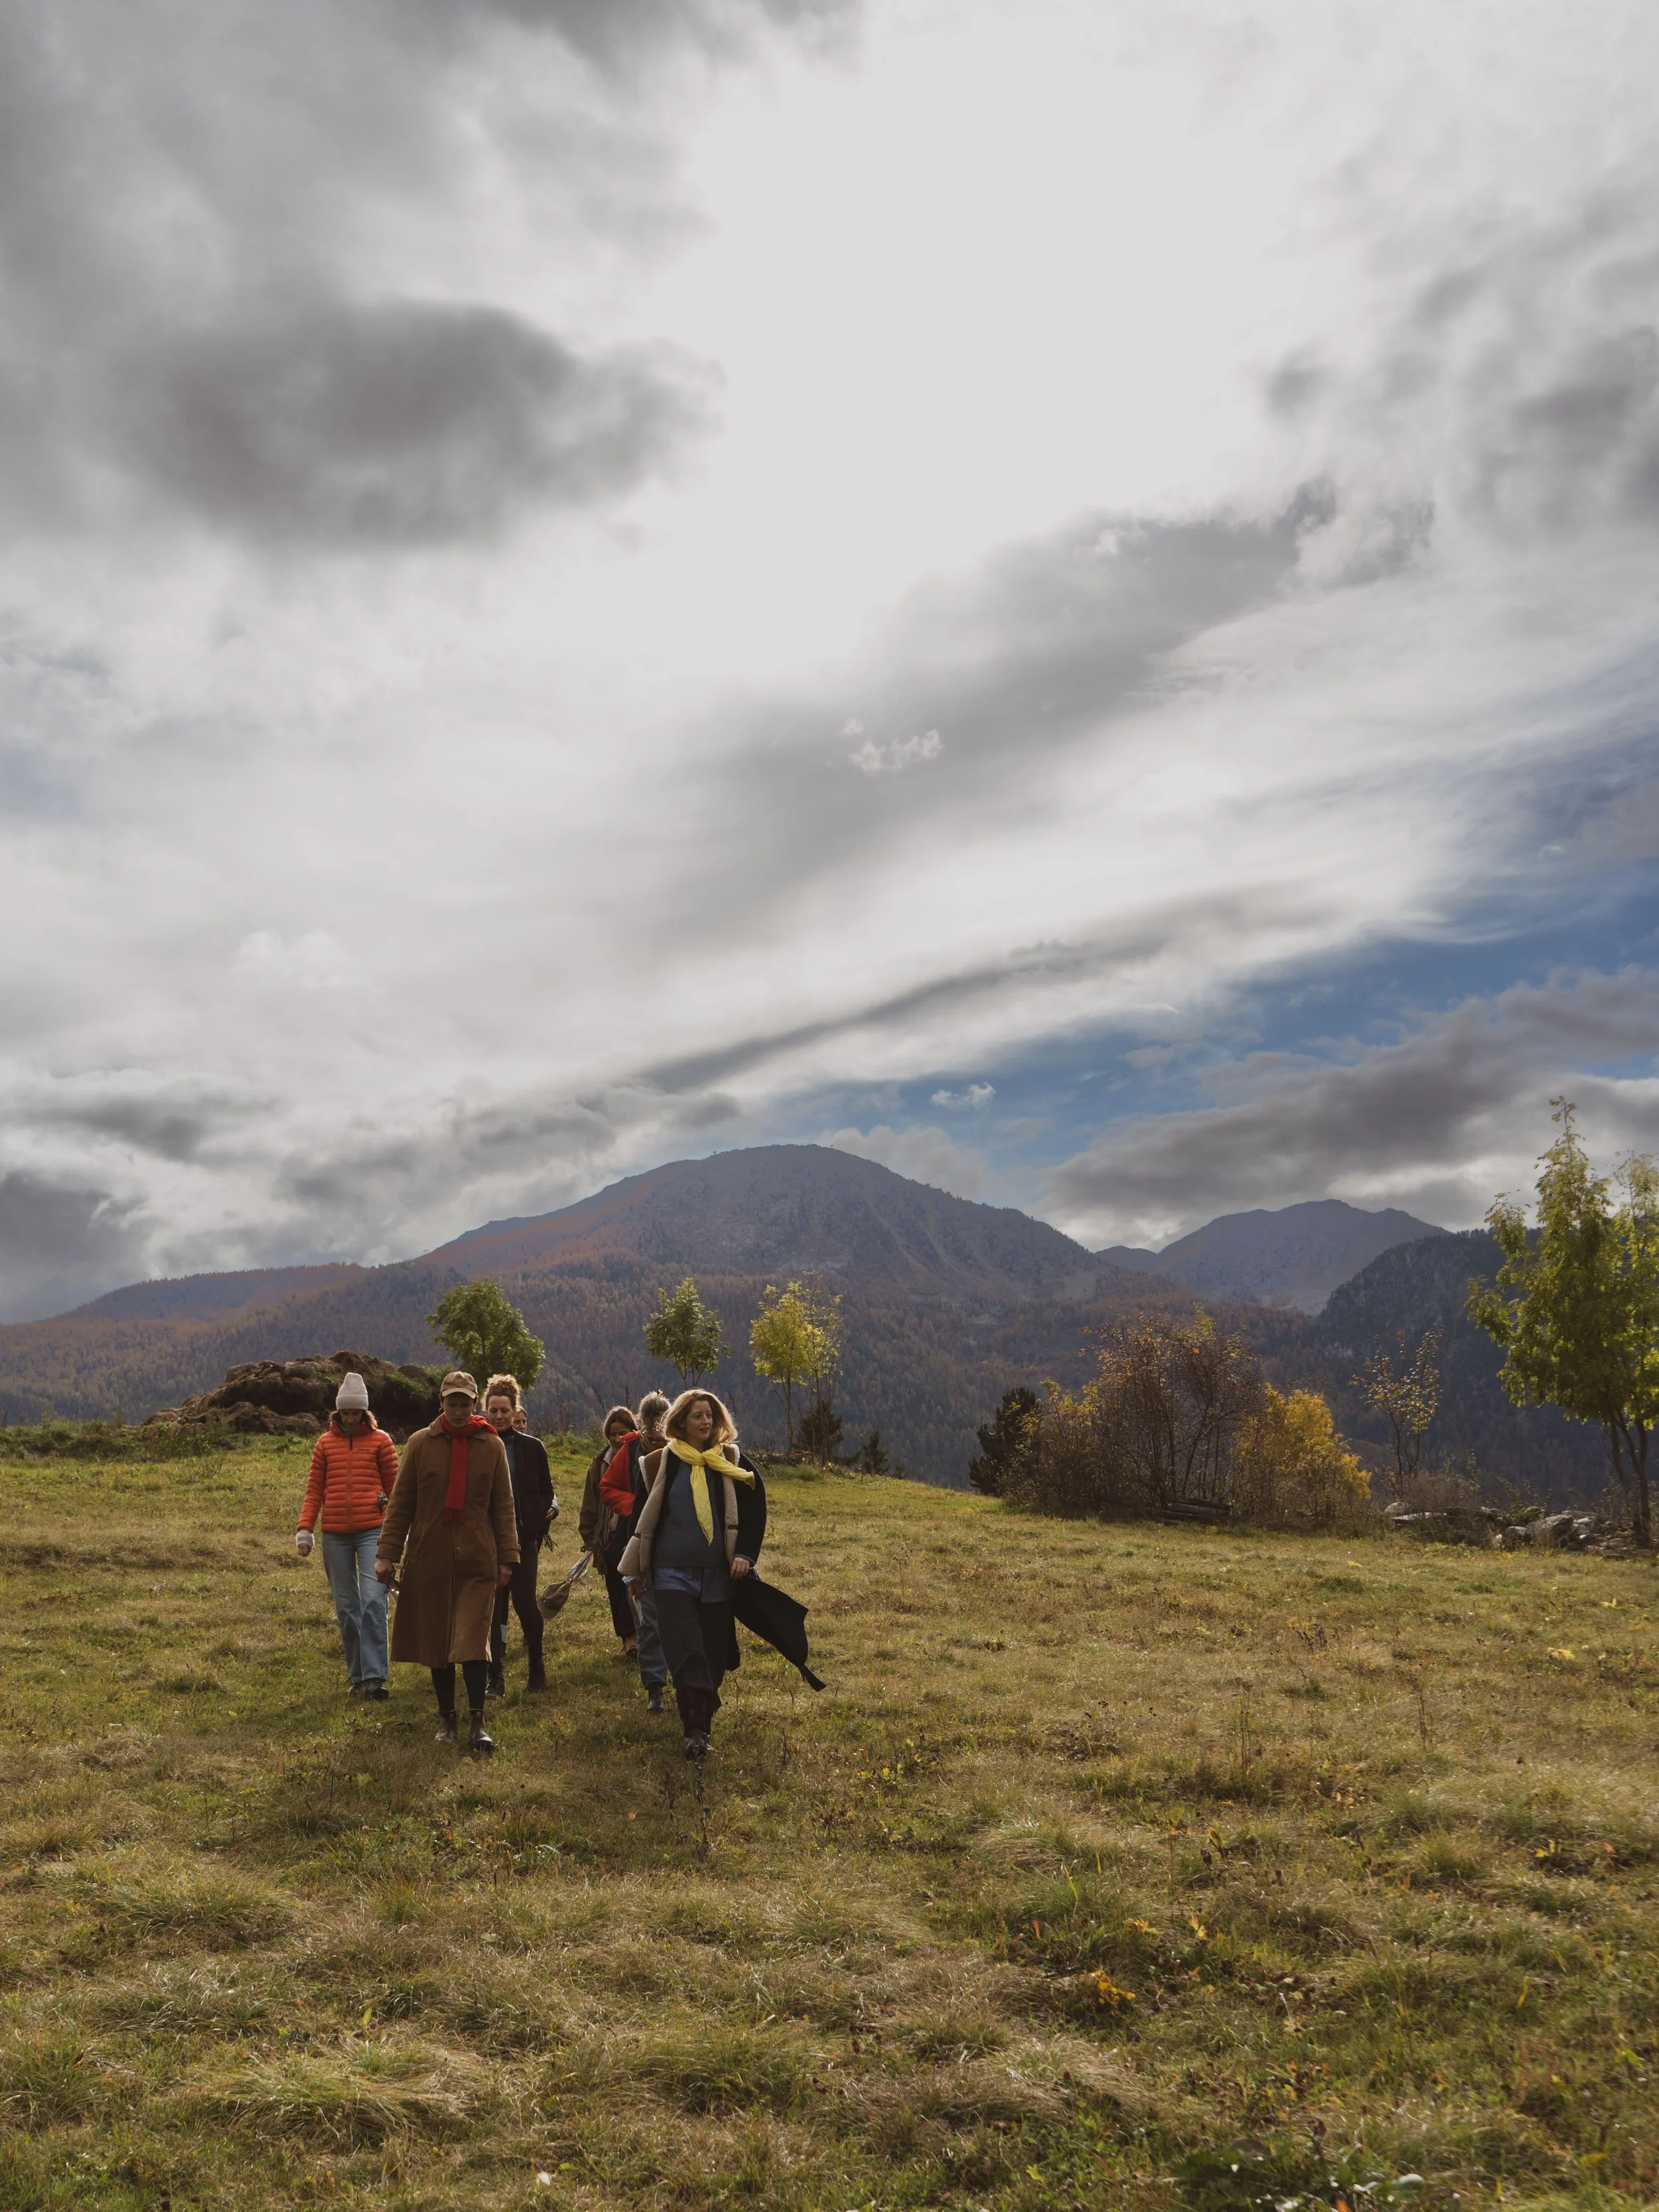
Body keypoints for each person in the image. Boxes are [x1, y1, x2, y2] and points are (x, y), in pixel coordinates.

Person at [375, 1371, 517, 1755]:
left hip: (477, 1558)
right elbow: (401, 1503)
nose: (457, 1410)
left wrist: (508, 1557)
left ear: (475, 1405)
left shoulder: (491, 1446)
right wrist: (388, 1554)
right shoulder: (421, 1444)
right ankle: (446, 1717)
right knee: (436, 1639)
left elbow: (503, 1507)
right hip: (429, 1557)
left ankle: (477, 1720)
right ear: (441, 1403)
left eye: (465, 1403)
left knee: (472, 1641)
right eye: (451, 1402)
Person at [619, 1389, 765, 1760]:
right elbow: (640, 1520)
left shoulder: (730, 1461)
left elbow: (754, 1511)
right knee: (687, 1651)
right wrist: (635, 1572)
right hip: (671, 1574)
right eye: (698, 1415)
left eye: (711, 1416)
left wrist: (746, 1554)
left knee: (713, 1655)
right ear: (681, 1421)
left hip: (718, 1575)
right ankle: (694, 1731)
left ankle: (704, 1708)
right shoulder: (658, 1464)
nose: (706, 1422)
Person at [294, 1371, 400, 1701]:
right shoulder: (324, 1444)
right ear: (338, 1412)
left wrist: (400, 1532)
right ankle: (358, 1678)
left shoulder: (382, 1441)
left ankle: (376, 1676)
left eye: (356, 1412)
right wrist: (305, 1529)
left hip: (373, 1531)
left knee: (373, 1600)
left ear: (365, 1412)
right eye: (346, 1412)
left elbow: (397, 1490)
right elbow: (315, 1489)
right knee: (347, 1607)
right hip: (335, 1536)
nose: (351, 1417)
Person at [596, 1390, 672, 1712]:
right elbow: (607, 1489)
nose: (654, 1429)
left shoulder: (681, 1449)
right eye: (649, 1423)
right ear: (640, 1422)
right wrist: (639, 1508)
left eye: (661, 1423)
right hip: (636, 1544)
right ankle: (655, 1686)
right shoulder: (627, 1451)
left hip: (674, 1545)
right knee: (646, 1619)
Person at [482, 1373, 557, 1698]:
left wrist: (536, 1526)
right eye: (494, 1410)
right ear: (485, 1410)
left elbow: (546, 1490)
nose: (499, 1416)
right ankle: (494, 1676)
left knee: (526, 1604)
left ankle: (536, 1669)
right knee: (493, 1609)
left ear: (515, 1411)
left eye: (505, 1410)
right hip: (486, 1541)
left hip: (524, 1539)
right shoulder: (479, 1445)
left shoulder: (532, 1448)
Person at [579, 1405, 643, 1659]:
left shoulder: (641, 1459)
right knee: (616, 1589)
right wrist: (590, 1539)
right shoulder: (600, 1462)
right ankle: (628, 1638)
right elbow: (589, 1503)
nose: (617, 1438)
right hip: (608, 1537)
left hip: (635, 1534)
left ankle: (643, 1635)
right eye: (613, 1433)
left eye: (623, 1432)